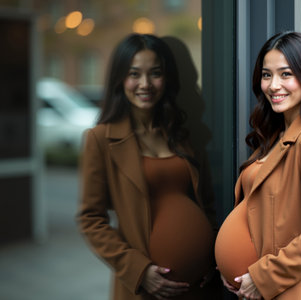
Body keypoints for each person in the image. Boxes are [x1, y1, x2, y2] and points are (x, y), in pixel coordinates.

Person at [77, 33, 220, 300]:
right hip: (148, 290)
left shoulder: (183, 134)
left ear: (167, 78)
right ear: (120, 79)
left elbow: (208, 205)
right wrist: (139, 272)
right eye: (134, 74)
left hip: (202, 286)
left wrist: (211, 255)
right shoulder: (100, 139)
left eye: (155, 73)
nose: (145, 84)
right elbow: (90, 219)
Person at [215, 31, 301, 300]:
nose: (273, 85)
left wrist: (262, 277)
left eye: (286, 74)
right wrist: (228, 263)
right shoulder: (275, 136)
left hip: (291, 291)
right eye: (267, 75)